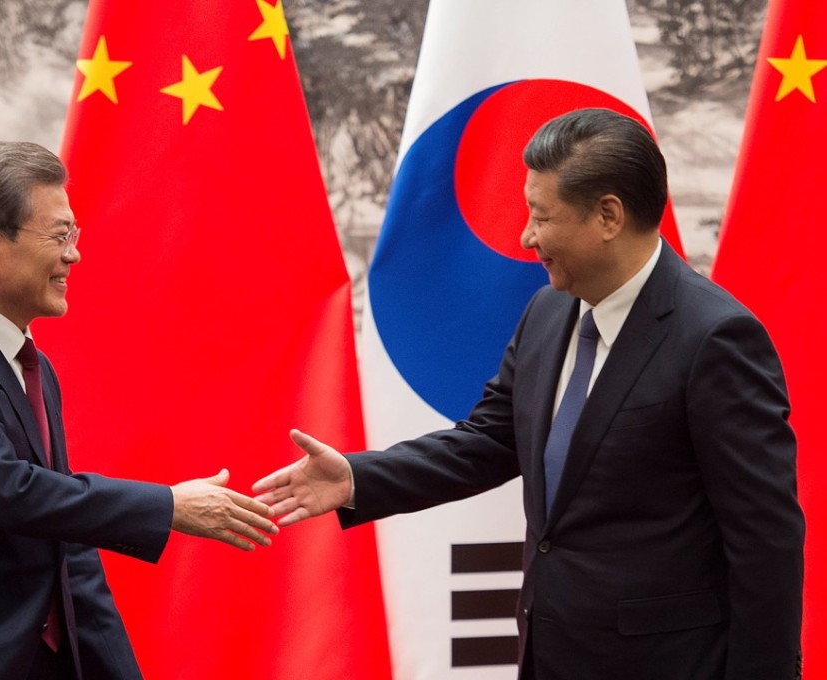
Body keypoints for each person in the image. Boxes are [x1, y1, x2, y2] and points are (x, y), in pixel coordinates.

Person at [254, 108, 804, 679]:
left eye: (541, 217)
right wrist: (356, 478)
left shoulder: (715, 338)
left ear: (608, 215)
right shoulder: (548, 310)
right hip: (550, 656)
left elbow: (766, 543)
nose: (525, 236)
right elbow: (488, 441)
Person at [0, 141, 278, 680]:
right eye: (59, 235)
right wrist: (168, 506)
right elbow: (12, 493)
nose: (75, 255)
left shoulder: (33, 364)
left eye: (75, 235)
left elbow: (66, 542)